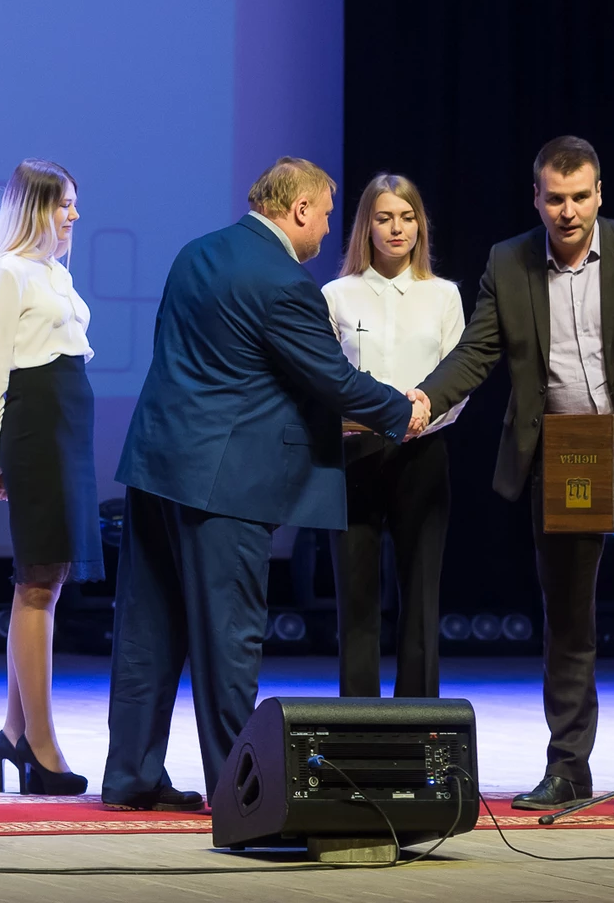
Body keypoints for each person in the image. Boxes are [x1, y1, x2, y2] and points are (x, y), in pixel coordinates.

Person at [103, 157, 429, 811]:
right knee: (229, 640)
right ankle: (238, 792)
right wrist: (403, 409)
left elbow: (219, 366)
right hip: (225, 482)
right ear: (300, 209)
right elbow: (331, 380)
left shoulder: (196, 253)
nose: (329, 228)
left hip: (156, 464)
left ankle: (131, 777)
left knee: (147, 631)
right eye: (326, 214)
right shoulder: (283, 281)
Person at [412, 135, 614, 812]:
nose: (568, 211)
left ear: (599, 194)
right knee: (568, 623)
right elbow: (477, 352)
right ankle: (568, 767)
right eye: (555, 199)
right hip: (567, 456)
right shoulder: (509, 261)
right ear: (536, 197)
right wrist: (425, 399)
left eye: (580, 197)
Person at [0, 159, 105, 797]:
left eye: (73, 203)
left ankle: (15, 732)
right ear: (35, 208)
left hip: (66, 430)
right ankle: (41, 746)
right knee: (38, 579)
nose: (73, 214)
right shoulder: (11, 273)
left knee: (45, 580)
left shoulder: (55, 273)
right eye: (63, 203)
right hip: (36, 432)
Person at [322, 173, 467, 698]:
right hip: (353, 455)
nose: (396, 228)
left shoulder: (443, 295)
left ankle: (420, 721)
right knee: (356, 597)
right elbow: (326, 379)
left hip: (421, 451)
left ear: (420, 224)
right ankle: (359, 720)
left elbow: (458, 380)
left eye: (407, 217)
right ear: (367, 225)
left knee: (421, 596)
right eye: (384, 218)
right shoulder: (337, 295)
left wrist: (419, 419)